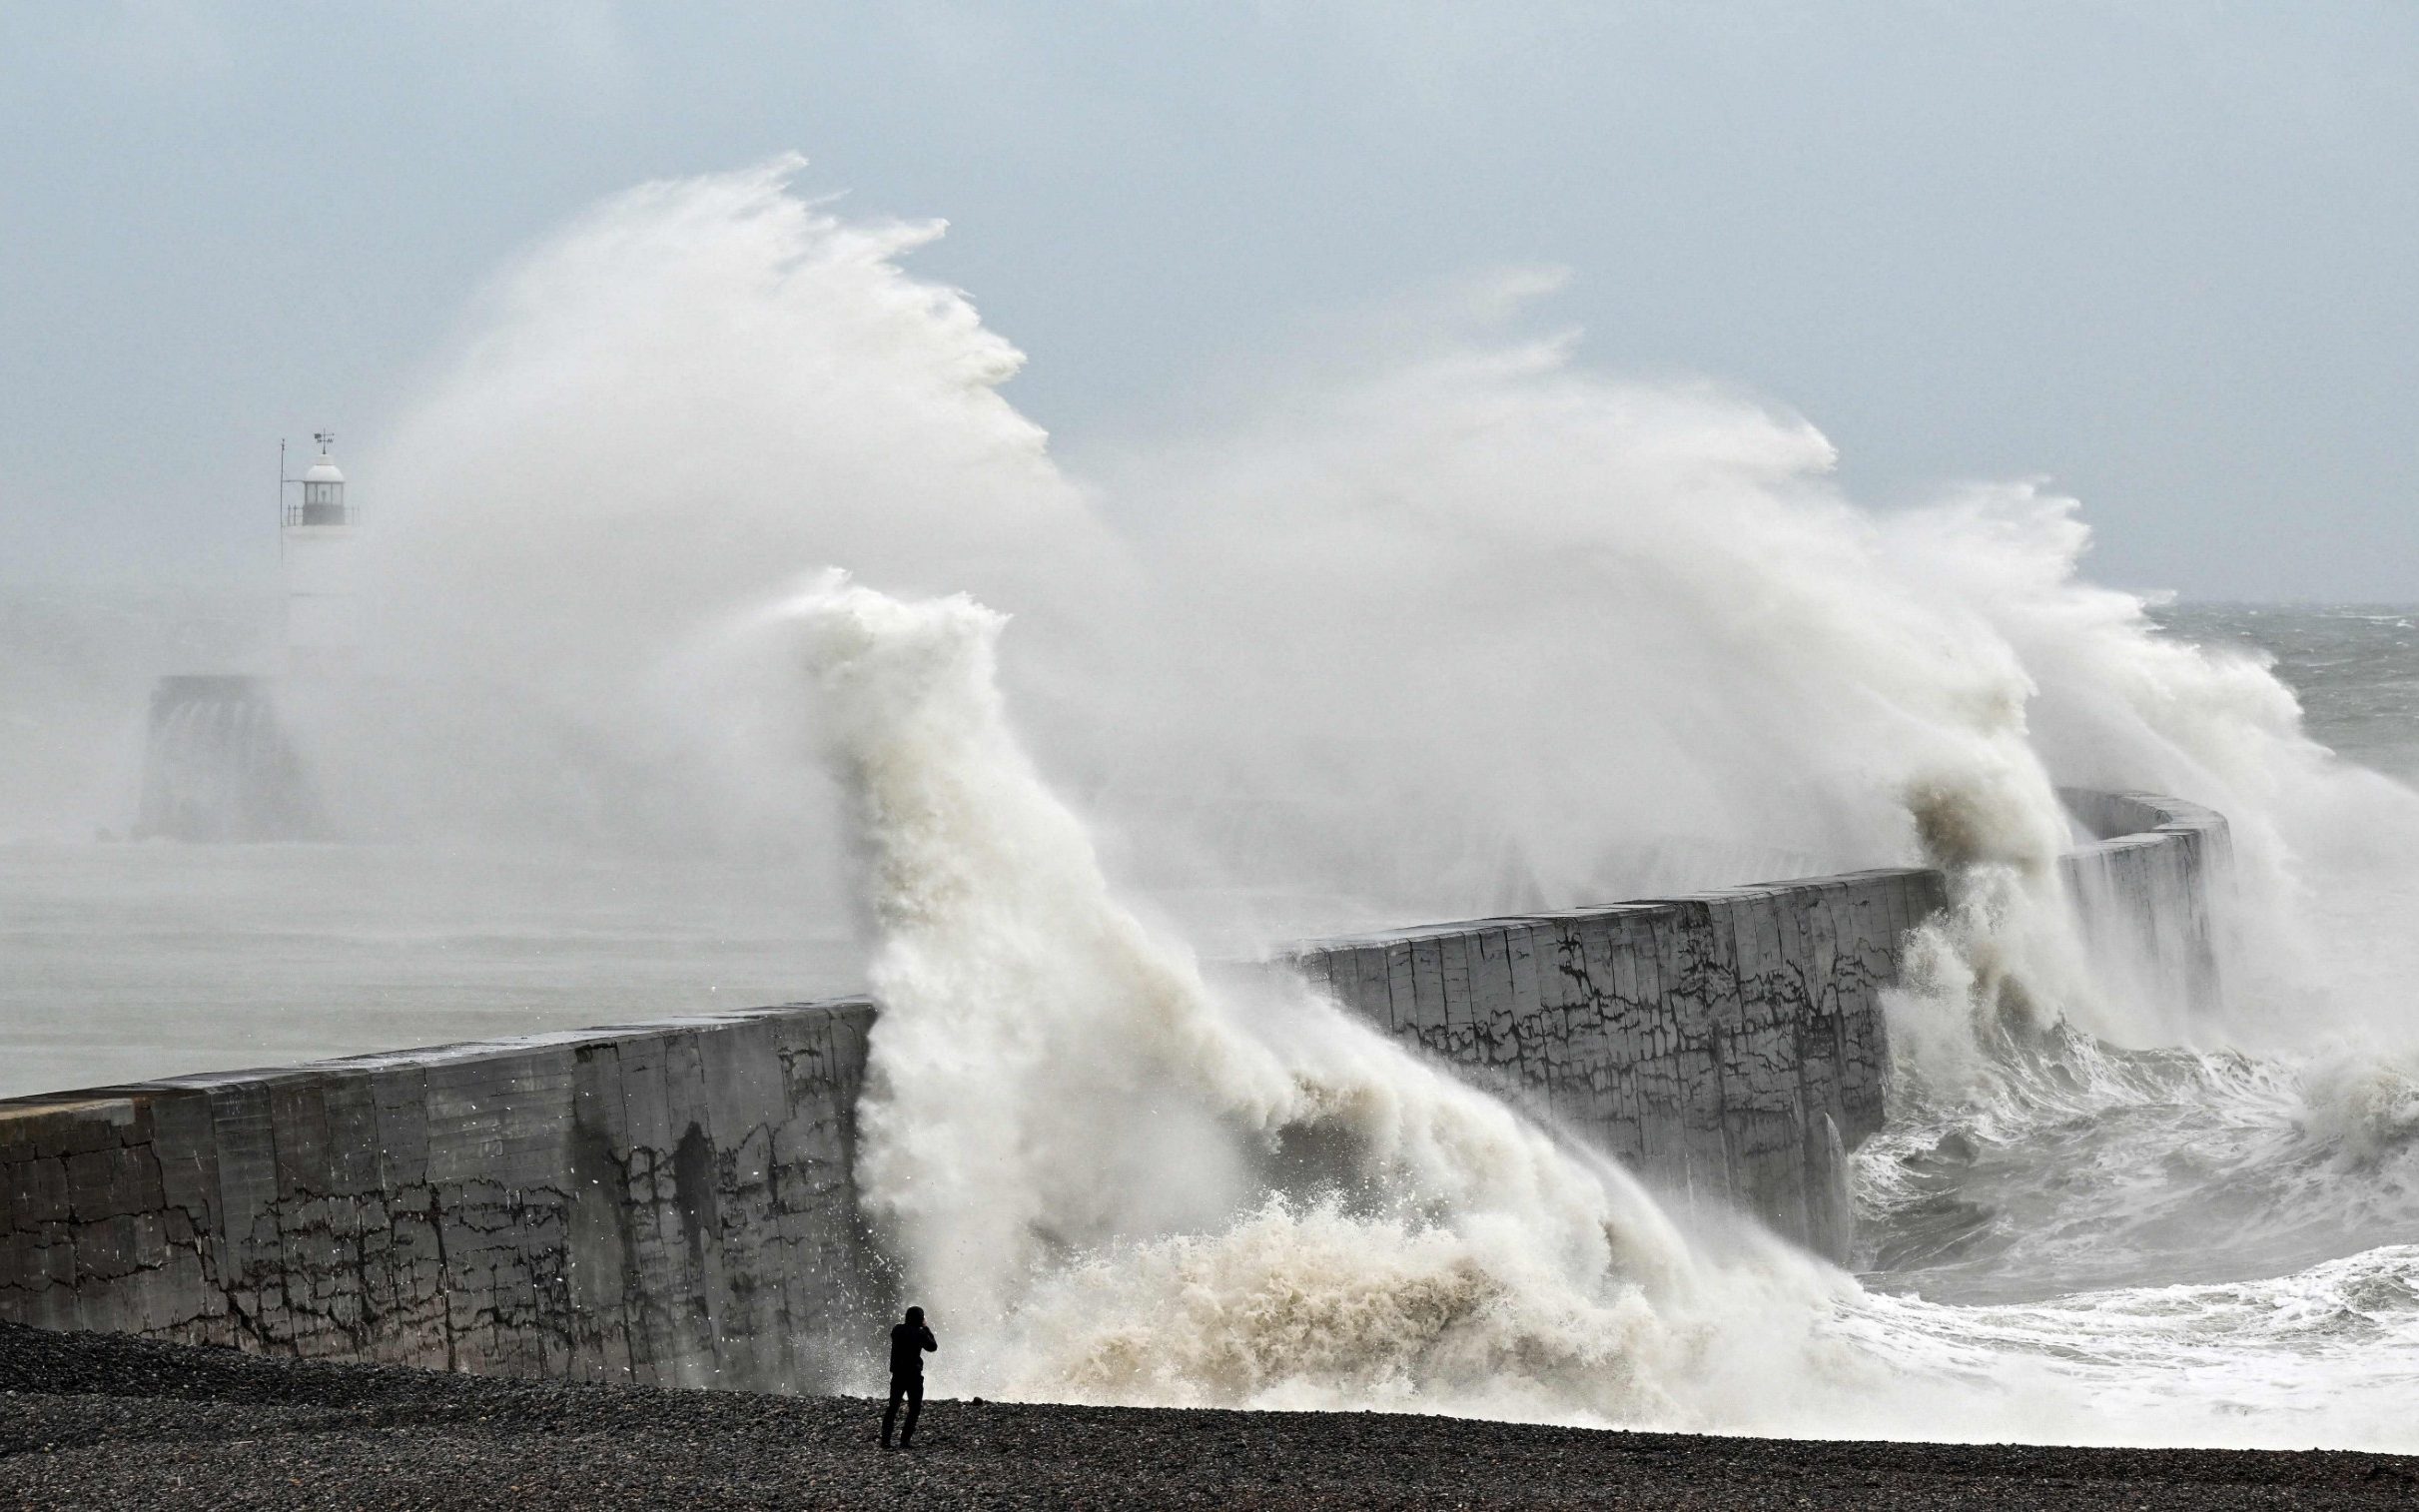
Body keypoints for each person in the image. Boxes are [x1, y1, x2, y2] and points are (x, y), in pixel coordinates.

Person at [882, 1305, 937, 1449]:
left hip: (898, 1374)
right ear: (920, 1319)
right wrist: (926, 1328)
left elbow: (899, 1333)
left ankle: (885, 1441)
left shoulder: (897, 1330)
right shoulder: (919, 1333)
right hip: (913, 1375)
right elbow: (932, 1347)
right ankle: (904, 1441)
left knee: (893, 1407)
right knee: (914, 1408)